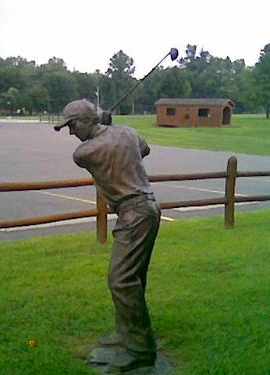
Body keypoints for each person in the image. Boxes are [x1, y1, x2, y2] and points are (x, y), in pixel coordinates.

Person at [55, 99, 161, 372]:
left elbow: (90, 149)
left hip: (134, 213)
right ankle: (125, 333)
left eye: (72, 125)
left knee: (121, 280)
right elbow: (143, 148)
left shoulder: (85, 151)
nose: (70, 133)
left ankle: (140, 351)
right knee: (133, 278)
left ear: (88, 120)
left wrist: (104, 124)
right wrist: (110, 125)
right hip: (147, 210)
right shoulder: (127, 132)